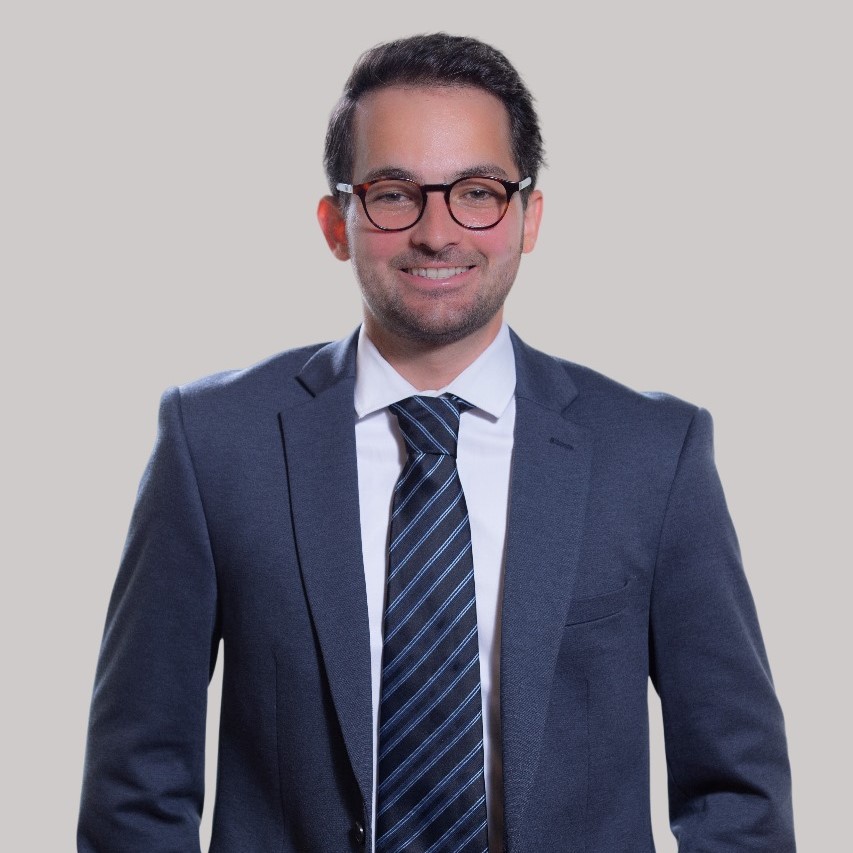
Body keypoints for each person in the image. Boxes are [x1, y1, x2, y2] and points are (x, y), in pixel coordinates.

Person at [78, 33, 796, 852]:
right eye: (393, 194)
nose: (436, 231)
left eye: (477, 192)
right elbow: (135, 784)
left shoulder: (652, 454)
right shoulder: (213, 445)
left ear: (527, 217)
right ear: (337, 222)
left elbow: (738, 790)